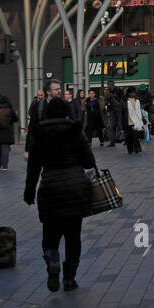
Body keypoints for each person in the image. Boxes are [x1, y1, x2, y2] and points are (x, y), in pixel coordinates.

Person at [24, 97, 95, 292]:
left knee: (50, 233)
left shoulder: (40, 134)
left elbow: (33, 169)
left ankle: (52, 258)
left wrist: (29, 193)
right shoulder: (75, 131)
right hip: (75, 188)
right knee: (73, 236)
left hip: (50, 189)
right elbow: (89, 162)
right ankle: (70, 278)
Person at [0, 96, 18, 171]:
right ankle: (5, 166)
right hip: (7, 132)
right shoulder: (10, 108)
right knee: (5, 150)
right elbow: (16, 119)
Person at [123, 88, 145, 154]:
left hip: (135, 121)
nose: (134, 94)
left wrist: (142, 119)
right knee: (128, 137)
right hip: (127, 120)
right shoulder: (124, 100)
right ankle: (130, 150)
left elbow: (139, 111)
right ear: (129, 93)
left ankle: (137, 149)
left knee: (135, 136)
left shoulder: (137, 100)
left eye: (134, 92)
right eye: (132, 92)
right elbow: (122, 110)